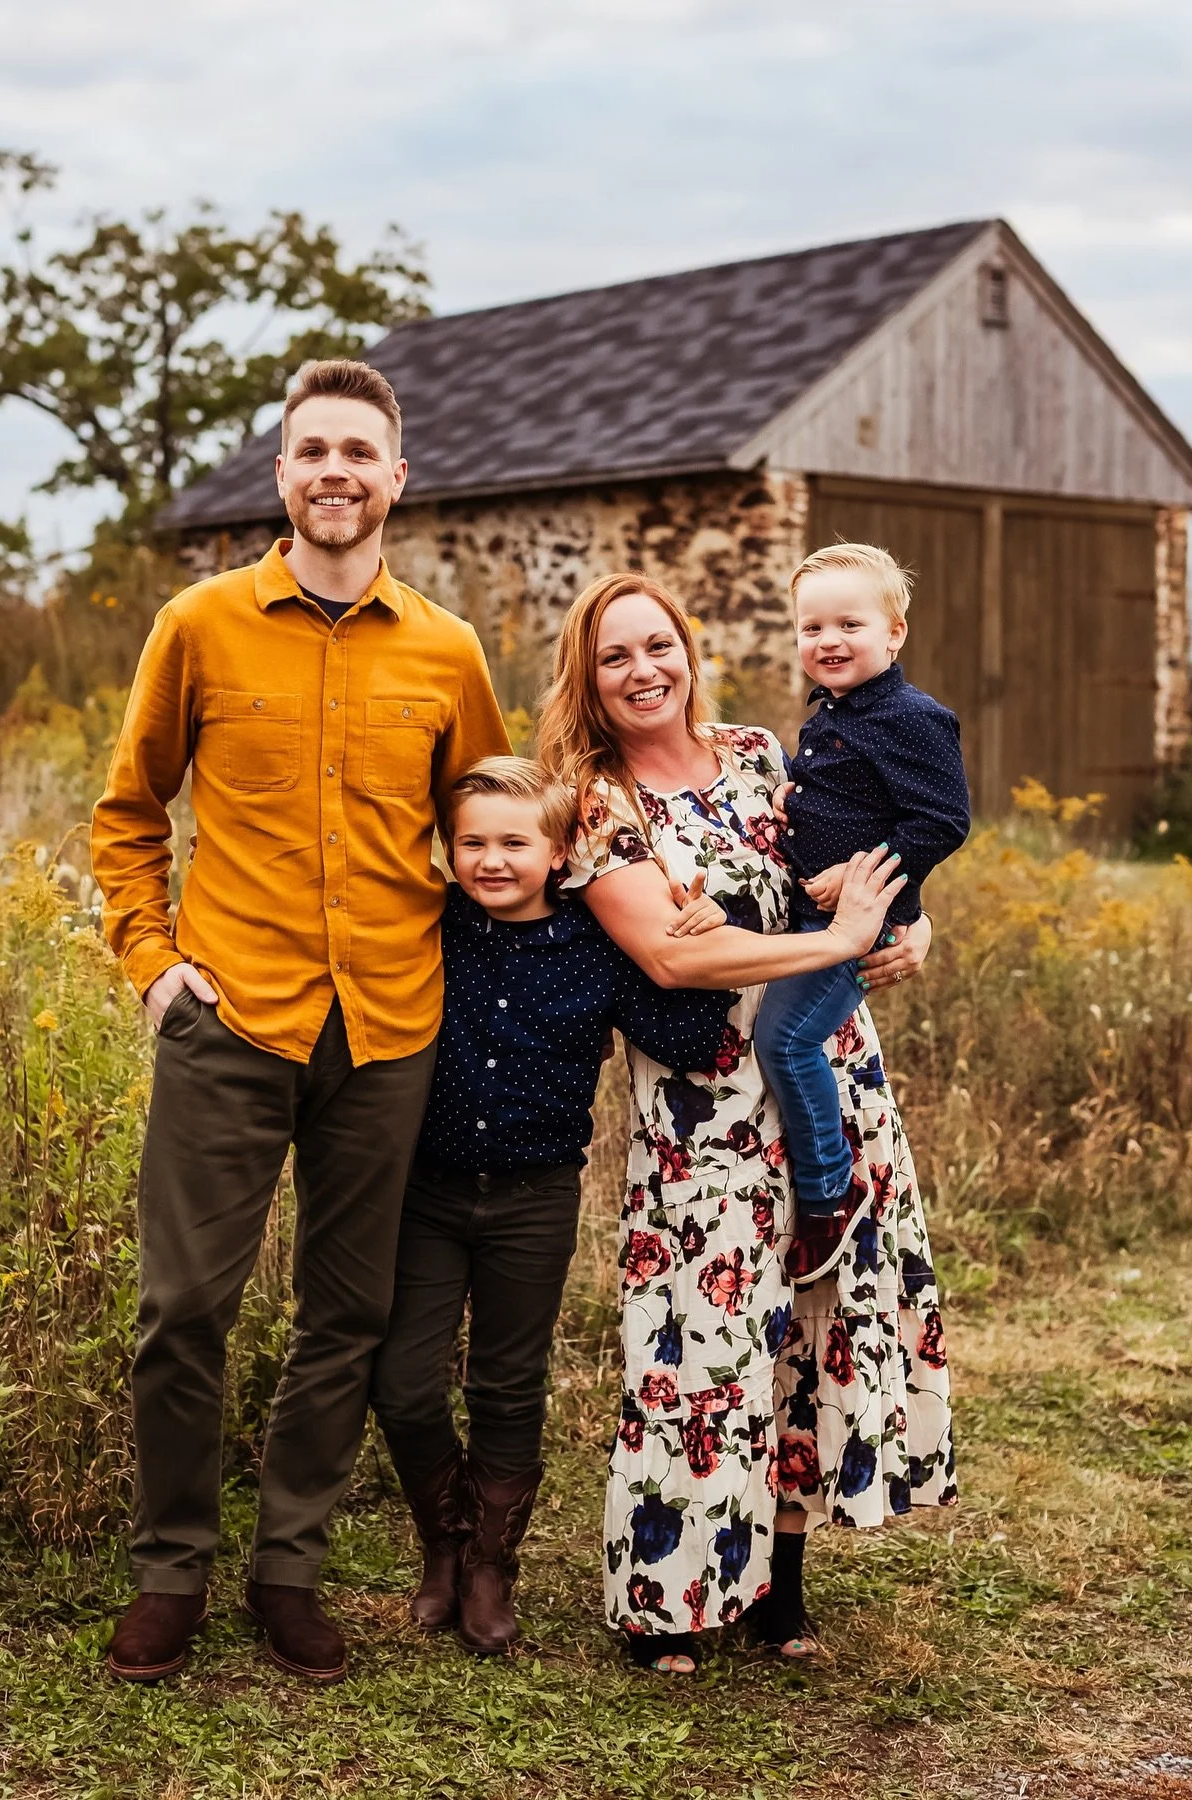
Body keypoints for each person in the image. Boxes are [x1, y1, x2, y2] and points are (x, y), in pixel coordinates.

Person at [91, 358, 510, 1684]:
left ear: (398, 479)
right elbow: (128, 813)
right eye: (314, 451)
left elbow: (498, 832)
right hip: (230, 1018)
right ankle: (171, 1572)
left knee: (347, 1316)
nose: (337, 472)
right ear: (282, 475)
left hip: (388, 1029)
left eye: (359, 453)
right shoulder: (200, 625)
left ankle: (289, 1573)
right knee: (182, 1309)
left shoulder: (447, 651)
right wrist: (152, 962)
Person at [536, 572, 956, 1675]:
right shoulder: (595, 804)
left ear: (689, 650)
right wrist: (834, 942)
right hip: (705, 1113)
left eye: (658, 646)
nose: (643, 672)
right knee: (702, 1345)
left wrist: (907, 928)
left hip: (826, 1079)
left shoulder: (763, 753)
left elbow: (863, 860)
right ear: (586, 677)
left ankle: (780, 1589)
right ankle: (665, 1601)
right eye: (615, 656)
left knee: (807, 1336)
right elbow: (675, 957)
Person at [370, 755, 734, 1655]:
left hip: (533, 1198)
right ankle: (444, 1540)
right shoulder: (433, 925)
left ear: (559, 851)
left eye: (514, 843)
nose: (492, 860)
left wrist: (702, 934)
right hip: (426, 1192)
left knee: (506, 1385)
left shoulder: (595, 946)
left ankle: (490, 1566)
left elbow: (691, 1040)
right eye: (472, 843)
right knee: (403, 1383)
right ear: (448, 849)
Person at [757, 543, 971, 1280]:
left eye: (850, 624)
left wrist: (858, 875)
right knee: (786, 1039)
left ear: (895, 632)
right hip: (818, 920)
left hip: (857, 924)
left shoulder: (914, 717)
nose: (829, 641)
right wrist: (794, 794)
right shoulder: (836, 711)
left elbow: (942, 821)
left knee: (786, 1042)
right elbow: (856, 792)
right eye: (812, 628)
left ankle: (829, 1194)